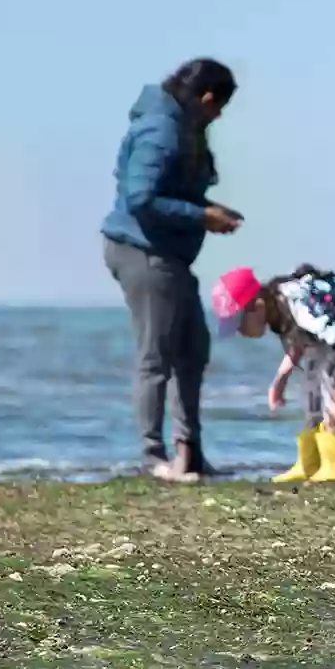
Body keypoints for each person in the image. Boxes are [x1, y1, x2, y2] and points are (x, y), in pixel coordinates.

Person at [99, 58, 244, 482]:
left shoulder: (183, 126)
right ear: (206, 99)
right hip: (142, 251)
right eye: (220, 108)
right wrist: (201, 216)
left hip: (170, 256)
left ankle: (190, 454)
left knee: (192, 349)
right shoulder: (161, 129)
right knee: (156, 355)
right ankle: (152, 456)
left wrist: (207, 210)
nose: (218, 117)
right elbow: (140, 196)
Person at [211, 264, 335, 483]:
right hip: (331, 322)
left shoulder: (301, 310)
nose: (240, 332)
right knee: (310, 385)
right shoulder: (279, 307)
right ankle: (310, 462)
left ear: (257, 306)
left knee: (326, 387)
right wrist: (280, 380)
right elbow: (299, 343)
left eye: (239, 324)